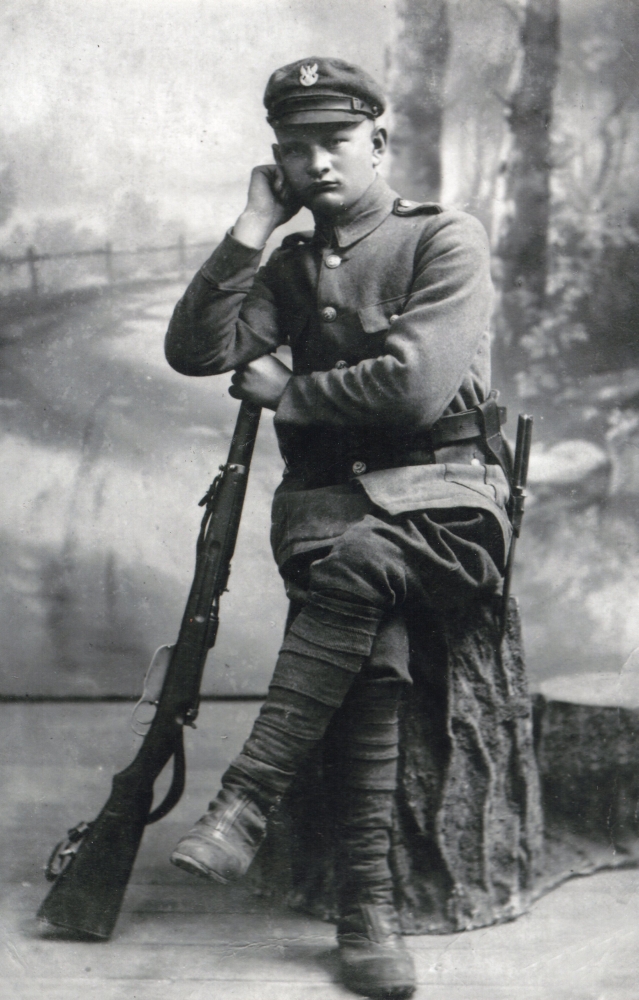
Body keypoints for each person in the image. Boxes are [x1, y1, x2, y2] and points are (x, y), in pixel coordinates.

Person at [164, 56, 512, 1000]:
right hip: (329, 509)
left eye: (335, 141)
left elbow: (412, 388)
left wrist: (292, 391)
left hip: (446, 498)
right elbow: (196, 350)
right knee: (369, 629)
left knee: (356, 575)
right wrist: (249, 229)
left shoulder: (444, 238)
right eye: (295, 148)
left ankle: (249, 797)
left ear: (379, 142)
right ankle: (369, 912)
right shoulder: (288, 261)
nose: (316, 163)